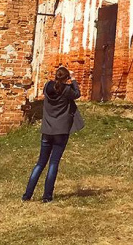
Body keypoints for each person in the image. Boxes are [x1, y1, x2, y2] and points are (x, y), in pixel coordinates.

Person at [22, 65, 82, 203]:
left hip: (47, 131)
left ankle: (27, 195)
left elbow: (55, 86)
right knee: (53, 163)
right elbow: (77, 94)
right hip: (61, 131)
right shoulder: (67, 90)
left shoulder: (47, 86)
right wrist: (73, 80)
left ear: (55, 76)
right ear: (66, 78)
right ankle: (47, 196)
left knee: (40, 163)